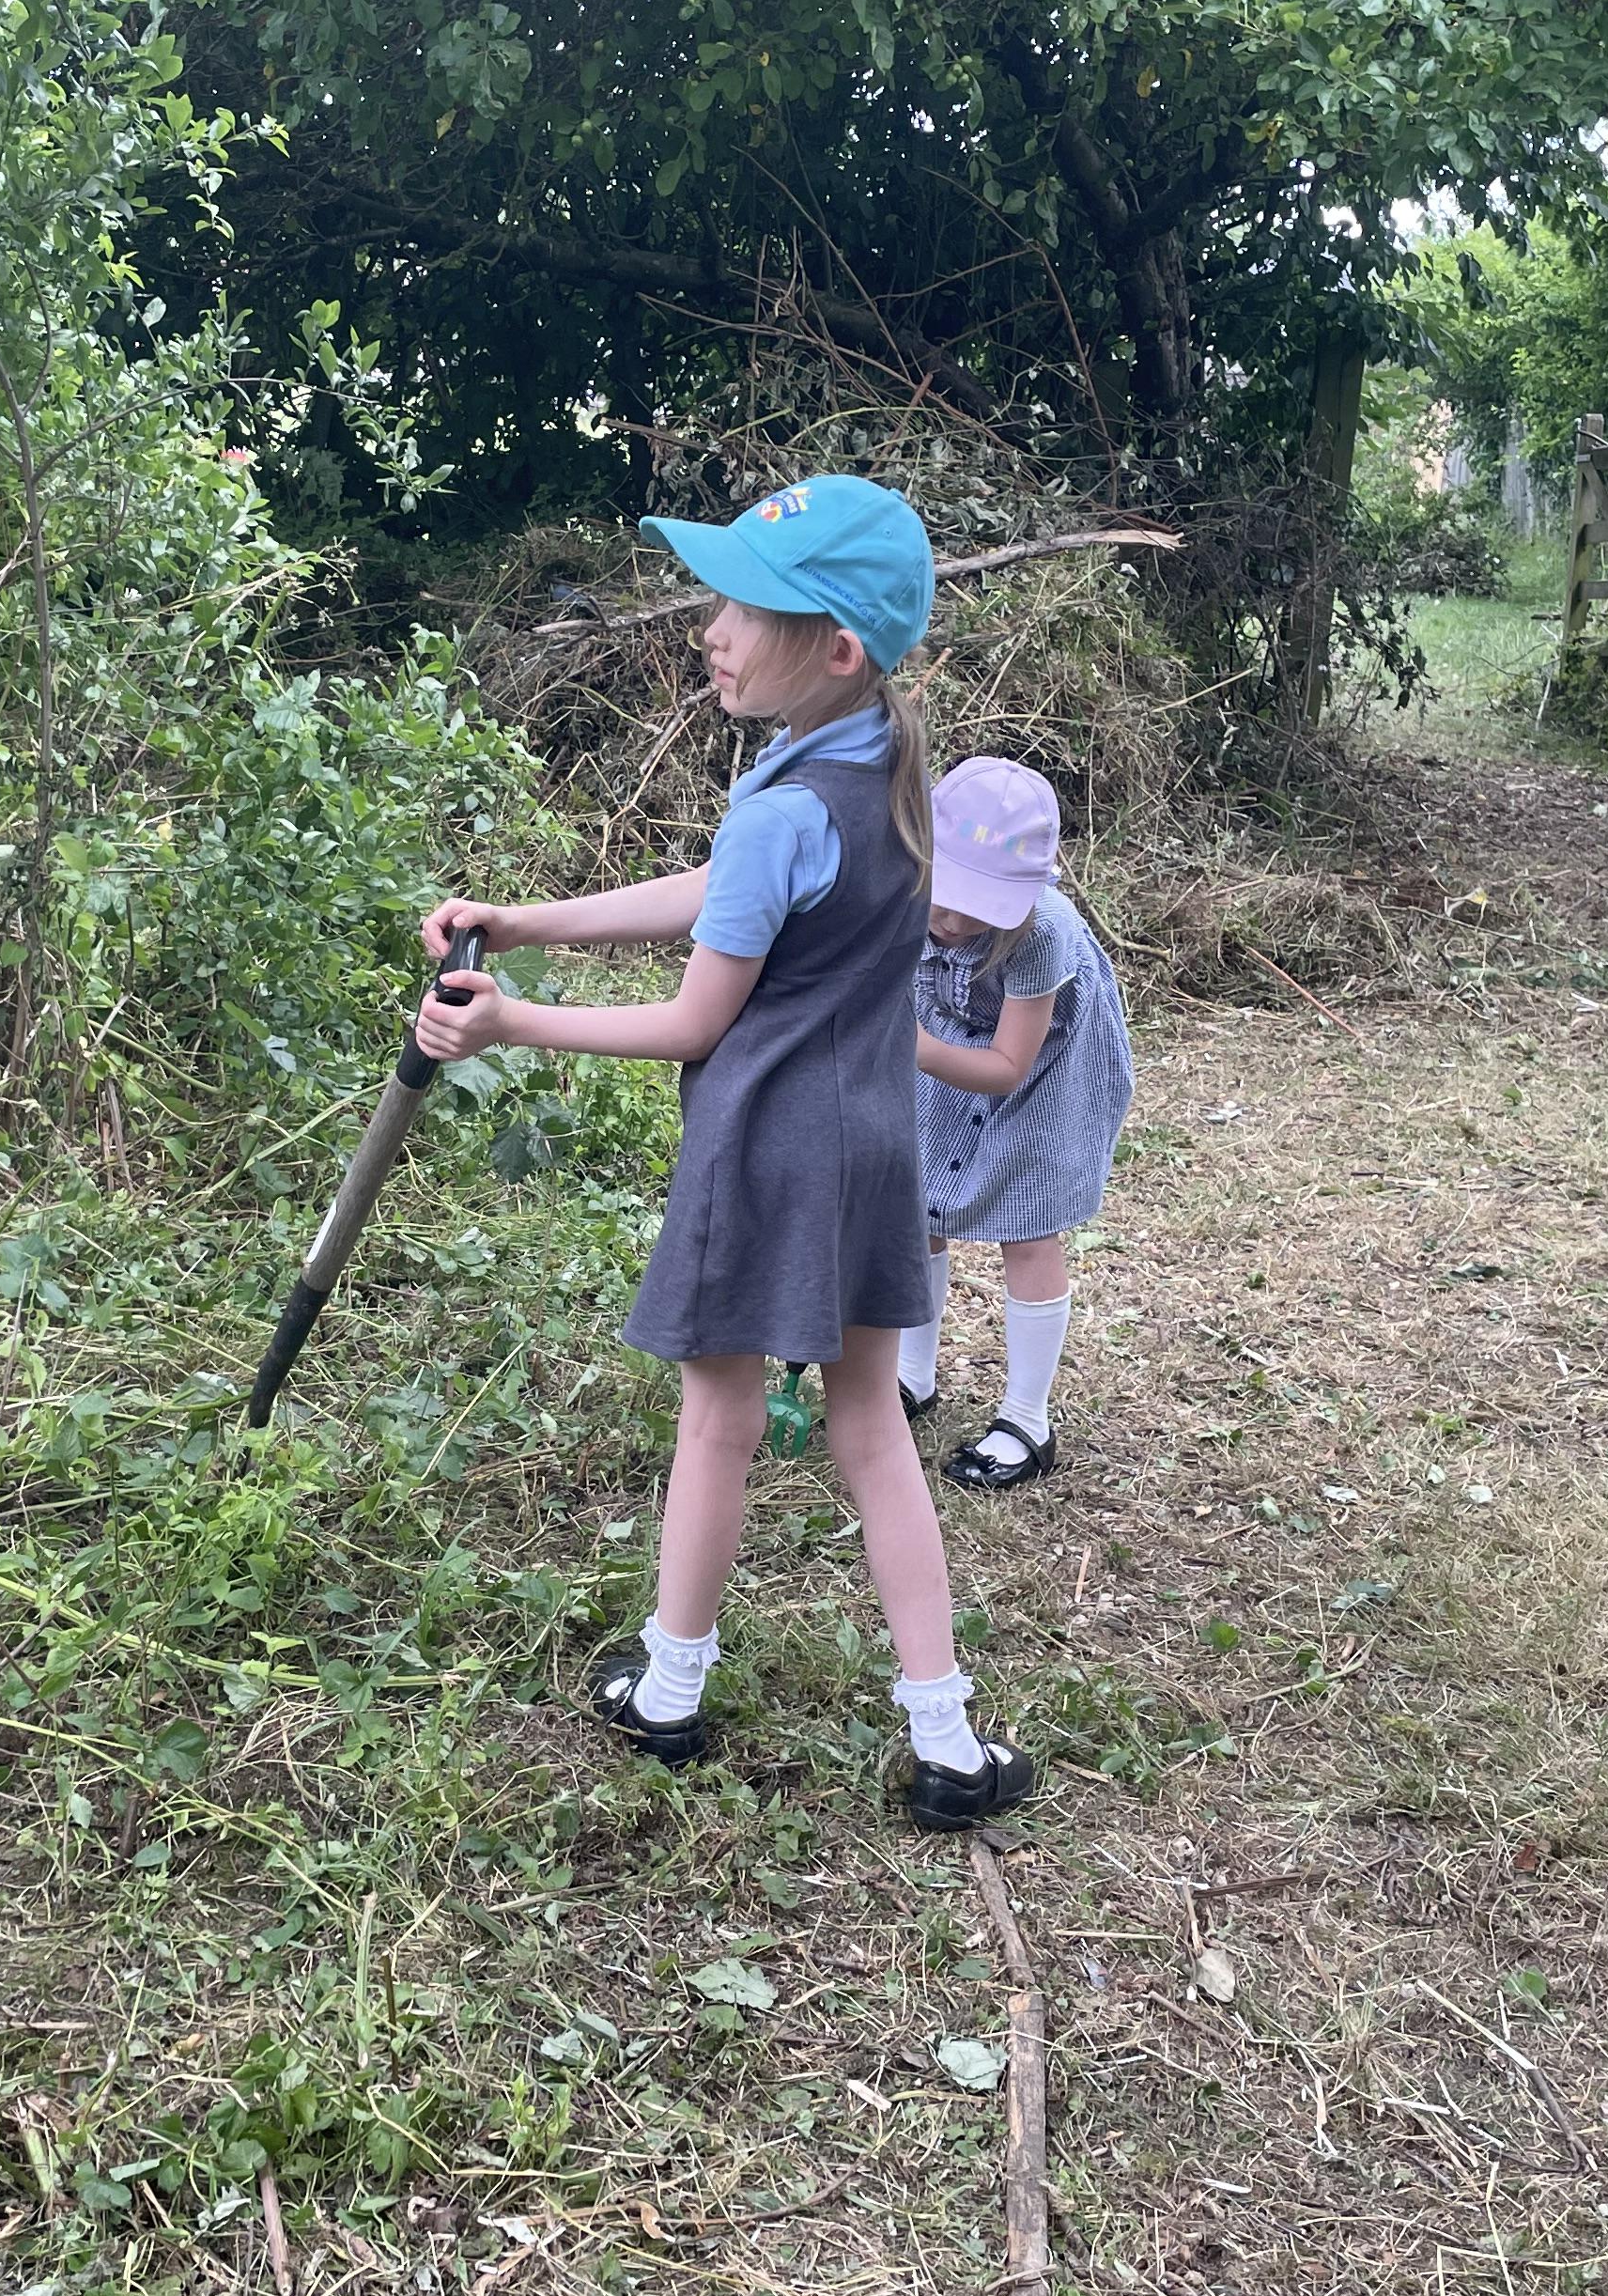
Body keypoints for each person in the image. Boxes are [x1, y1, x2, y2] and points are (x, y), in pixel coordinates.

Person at [413, 473, 1033, 1835]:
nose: (713, 627)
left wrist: (512, 1020)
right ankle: (947, 1738)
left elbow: (696, 1017)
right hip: (873, 1146)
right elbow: (725, 894)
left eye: (746, 608)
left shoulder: (782, 805)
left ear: (836, 648)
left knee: (720, 1419)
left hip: (762, 1152)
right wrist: (528, 920)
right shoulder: (887, 764)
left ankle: (669, 1692)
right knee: (873, 1427)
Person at [901, 755, 1134, 1490]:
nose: (952, 922)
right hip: (943, 1041)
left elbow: (1007, 1065)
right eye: (943, 898)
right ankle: (911, 1375)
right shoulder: (901, 890)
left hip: (1044, 1065)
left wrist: (905, 1045)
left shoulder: (1040, 932)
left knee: (1029, 1228)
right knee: (916, 1202)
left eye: (978, 908)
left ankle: (1027, 1421)